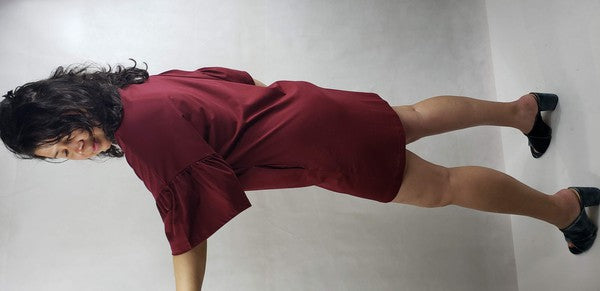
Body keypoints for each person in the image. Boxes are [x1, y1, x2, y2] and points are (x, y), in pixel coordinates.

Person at [1, 60, 598, 290]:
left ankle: (567, 208)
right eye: (57, 154)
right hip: (302, 105)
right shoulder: (132, 88)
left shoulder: (140, 132)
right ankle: (525, 111)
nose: (73, 147)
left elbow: (187, 221)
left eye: (60, 132)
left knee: (439, 187)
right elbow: (235, 78)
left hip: (313, 141)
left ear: (67, 104)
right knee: (410, 117)